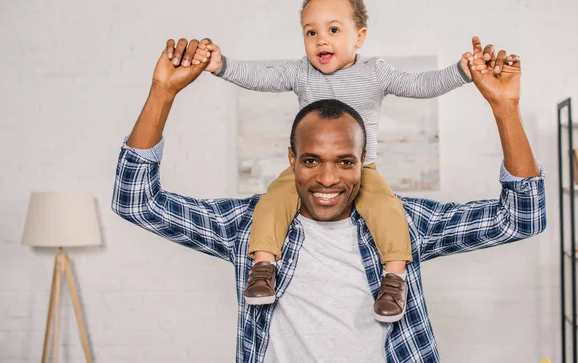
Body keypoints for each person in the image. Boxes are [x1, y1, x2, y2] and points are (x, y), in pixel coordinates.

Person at [112, 36, 546, 362]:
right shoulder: (247, 226)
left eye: (344, 162)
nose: (326, 178)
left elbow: (520, 219)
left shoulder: (402, 221)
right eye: (311, 160)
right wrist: (162, 93)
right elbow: (136, 202)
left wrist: (506, 109)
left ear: (363, 162)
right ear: (291, 160)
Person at [168, 0, 475, 321]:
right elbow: (261, 76)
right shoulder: (302, 72)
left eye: (333, 29)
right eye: (310, 32)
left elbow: (421, 85)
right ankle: (264, 266)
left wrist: (462, 72)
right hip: (308, 169)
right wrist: (221, 65)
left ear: (359, 37)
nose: (321, 39)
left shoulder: (375, 72)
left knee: (388, 209)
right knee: (272, 201)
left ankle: (394, 278)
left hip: (363, 169)